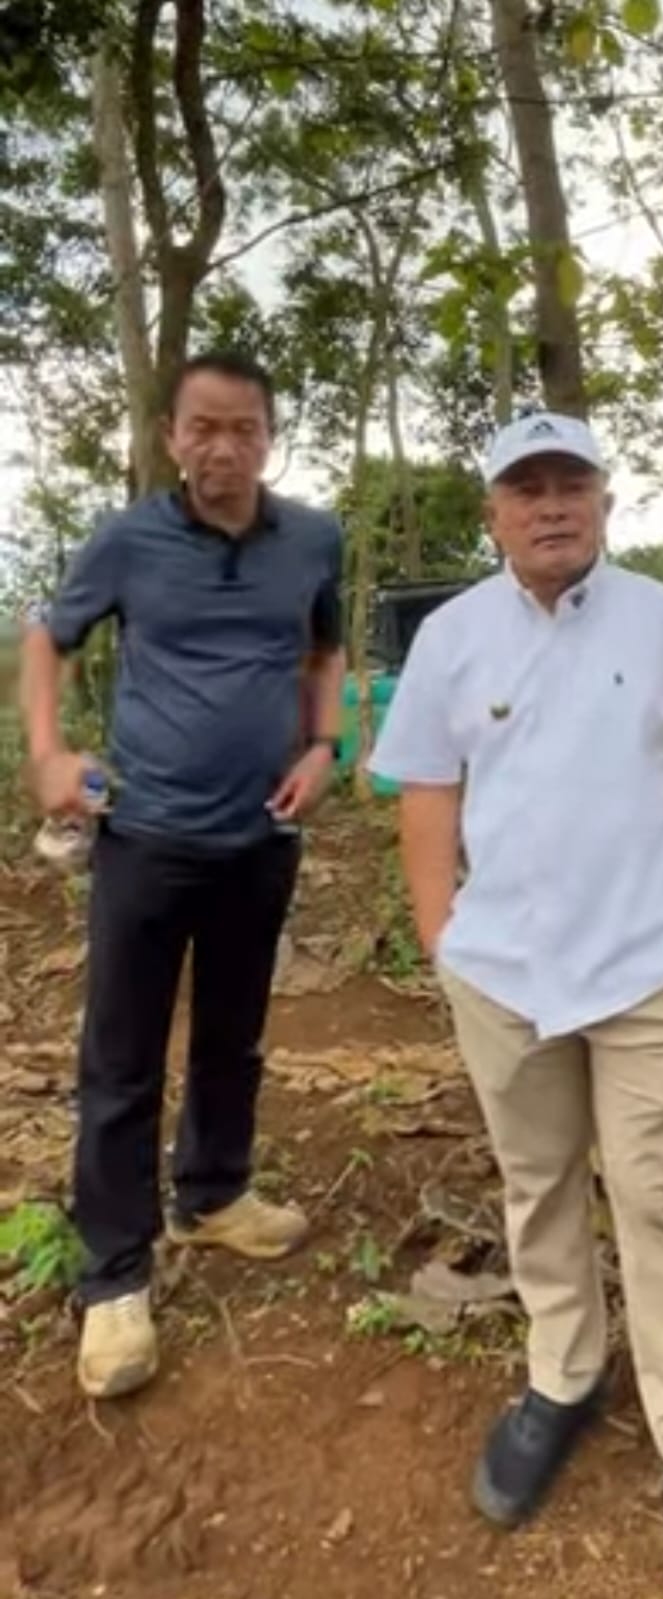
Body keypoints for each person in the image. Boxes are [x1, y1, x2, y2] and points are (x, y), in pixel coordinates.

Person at [369, 412, 663, 1599]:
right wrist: (445, 938)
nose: (549, 506)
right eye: (524, 487)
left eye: (571, 485)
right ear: (491, 511)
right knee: (536, 1182)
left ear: (603, 501)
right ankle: (564, 1373)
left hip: (650, 963)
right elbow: (425, 791)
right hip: (502, 974)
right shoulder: (450, 637)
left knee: (658, 1192)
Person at [20, 350, 345, 1399]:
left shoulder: (312, 538)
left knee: (233, 1035)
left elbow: (323, 649)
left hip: (261, 837)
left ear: (269, 435)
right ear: (171, 437)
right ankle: (114, 1277)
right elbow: (48, 637)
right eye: (202, 427)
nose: (222, 447)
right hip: (146, 839)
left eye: (242, 427)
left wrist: (321, 745)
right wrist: (49, 754)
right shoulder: (127, 541)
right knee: (119, 1061)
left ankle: (212, 1194)